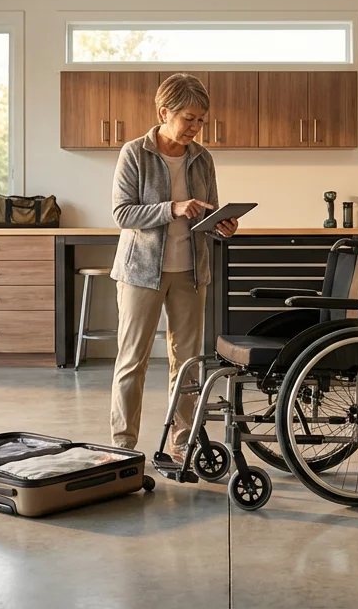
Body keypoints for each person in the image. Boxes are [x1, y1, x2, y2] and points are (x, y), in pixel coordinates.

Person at [109, 73, 238, 459]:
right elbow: (122, 213)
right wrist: (172, 209)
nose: (196, 128)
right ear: (165, 112)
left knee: (188, 363)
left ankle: (183, 445)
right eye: (189, 118)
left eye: (201, 120)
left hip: (191, 272)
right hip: (141, 272)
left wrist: (223, 226)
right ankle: (123, 447)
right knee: (133, 360)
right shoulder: (134, 153)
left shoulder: (203, 158)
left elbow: (208, 215)